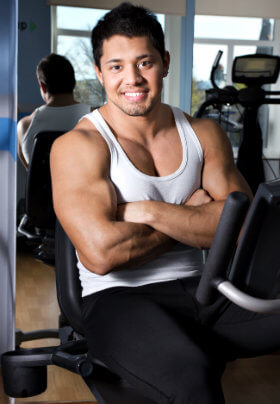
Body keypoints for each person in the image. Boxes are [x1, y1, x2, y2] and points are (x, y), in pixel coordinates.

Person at [50, 3, 280, 403]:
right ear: (100, 72)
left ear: (165, 62)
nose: (132, 79)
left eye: (144, 62)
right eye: (117, 66)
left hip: (205, 291)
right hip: (118, 300)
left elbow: (242, 228)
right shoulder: (79, 146)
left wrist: (152, 211)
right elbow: (102, 254)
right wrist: (195, 219)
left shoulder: (204, 134)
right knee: (193, 381)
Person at [17, 53, 91, 169]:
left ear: (43, 86)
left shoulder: (24, 126)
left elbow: (33, 178)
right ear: (74, 83)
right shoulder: (96, 118)